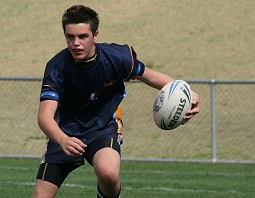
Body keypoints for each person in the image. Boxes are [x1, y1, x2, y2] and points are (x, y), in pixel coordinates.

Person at [32, 4, 200, 198]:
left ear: (95, 35)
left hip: (103, 128)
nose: (76, 43)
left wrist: (188, 93)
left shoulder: (117, 57)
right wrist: (62, 139)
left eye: (83, 36)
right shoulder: (56, 67)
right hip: (65, 133)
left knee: (109, 173)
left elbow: (151, 77)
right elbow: (44, 117)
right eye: (70, 37)